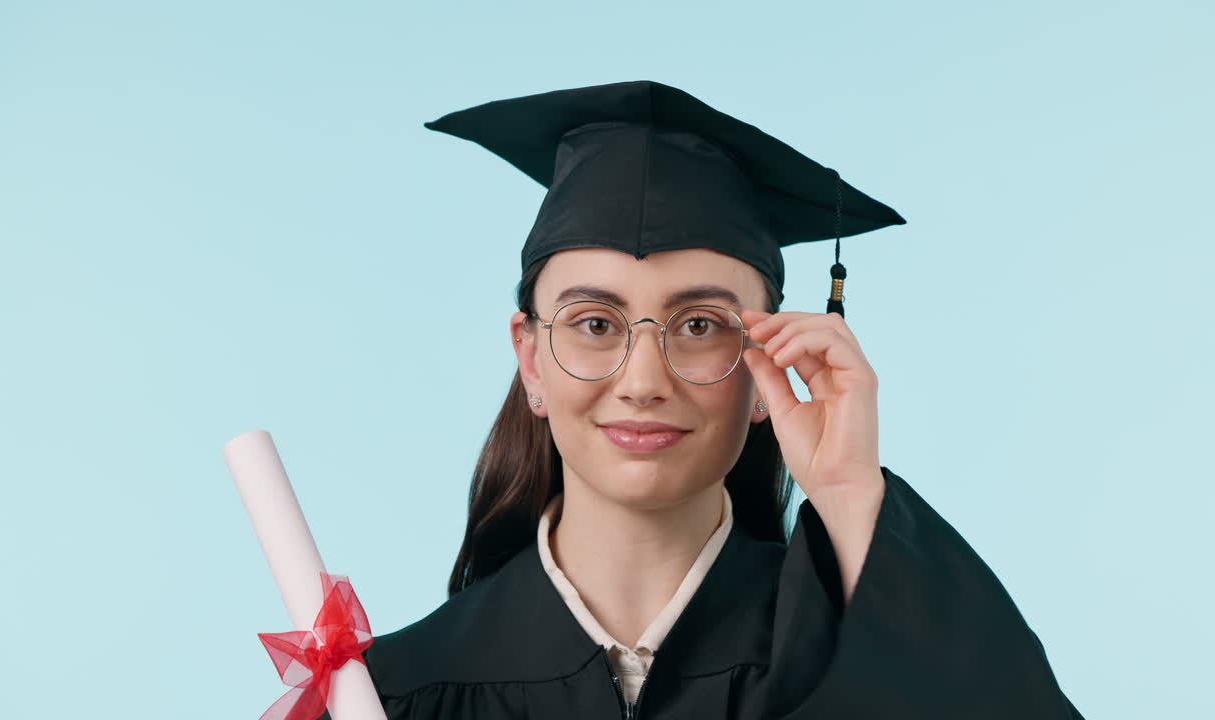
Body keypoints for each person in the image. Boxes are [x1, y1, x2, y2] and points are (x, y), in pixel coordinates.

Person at [318, 80, 1084, 719]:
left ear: (764, 367)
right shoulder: (396, 695)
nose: (645, 380)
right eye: (593, 323)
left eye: (699, 325)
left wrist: (851, 494)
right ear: (531, 359)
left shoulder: (863, 657)